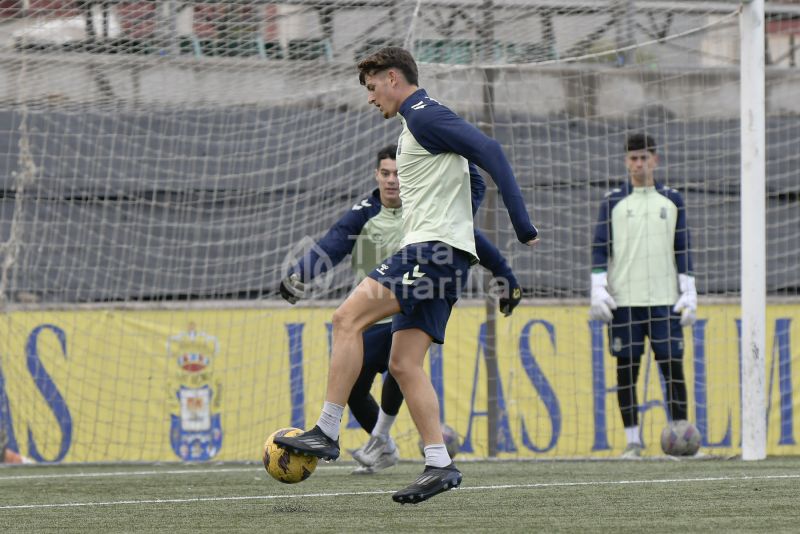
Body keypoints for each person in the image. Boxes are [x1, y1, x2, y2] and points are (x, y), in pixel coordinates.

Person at [275, 46, 538, 504]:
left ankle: (327, 431)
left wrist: (521, 223)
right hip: (444, 257)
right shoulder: (420, 125)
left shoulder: (422, 115)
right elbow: (473, 180)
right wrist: (463, 233)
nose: (372, 98)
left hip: (429, 253)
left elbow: (490, 150)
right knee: (403, 363)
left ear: (393, 78)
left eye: (373, 88)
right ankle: (439, 463)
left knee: (346, 320)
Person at [280, 144, 524, 475]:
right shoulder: (365, 211)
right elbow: (332, 243)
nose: (392, 180)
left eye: (397, 173)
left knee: (397, 360)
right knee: (369, 378)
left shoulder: (423, 212)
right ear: (376, 175)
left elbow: (473, 239)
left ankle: (376, 439)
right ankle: (401, 446)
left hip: (398, 309)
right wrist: (303, 272)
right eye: (385, 173)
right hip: (371, 315)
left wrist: (506, 277)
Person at [590, 132, 697, 459]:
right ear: (626, 162)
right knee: (626, 370)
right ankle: (633, 442)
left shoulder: (672, 199)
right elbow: (599, 247)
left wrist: (689, 288)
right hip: (625, 302)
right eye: (633, 158)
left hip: (665, 300)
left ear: (655, 159)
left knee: (672, 367)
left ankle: (680, 435)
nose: (639, 163)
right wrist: (597, 286)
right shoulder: (612, 201)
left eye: (644, 157)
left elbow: (683, 246)